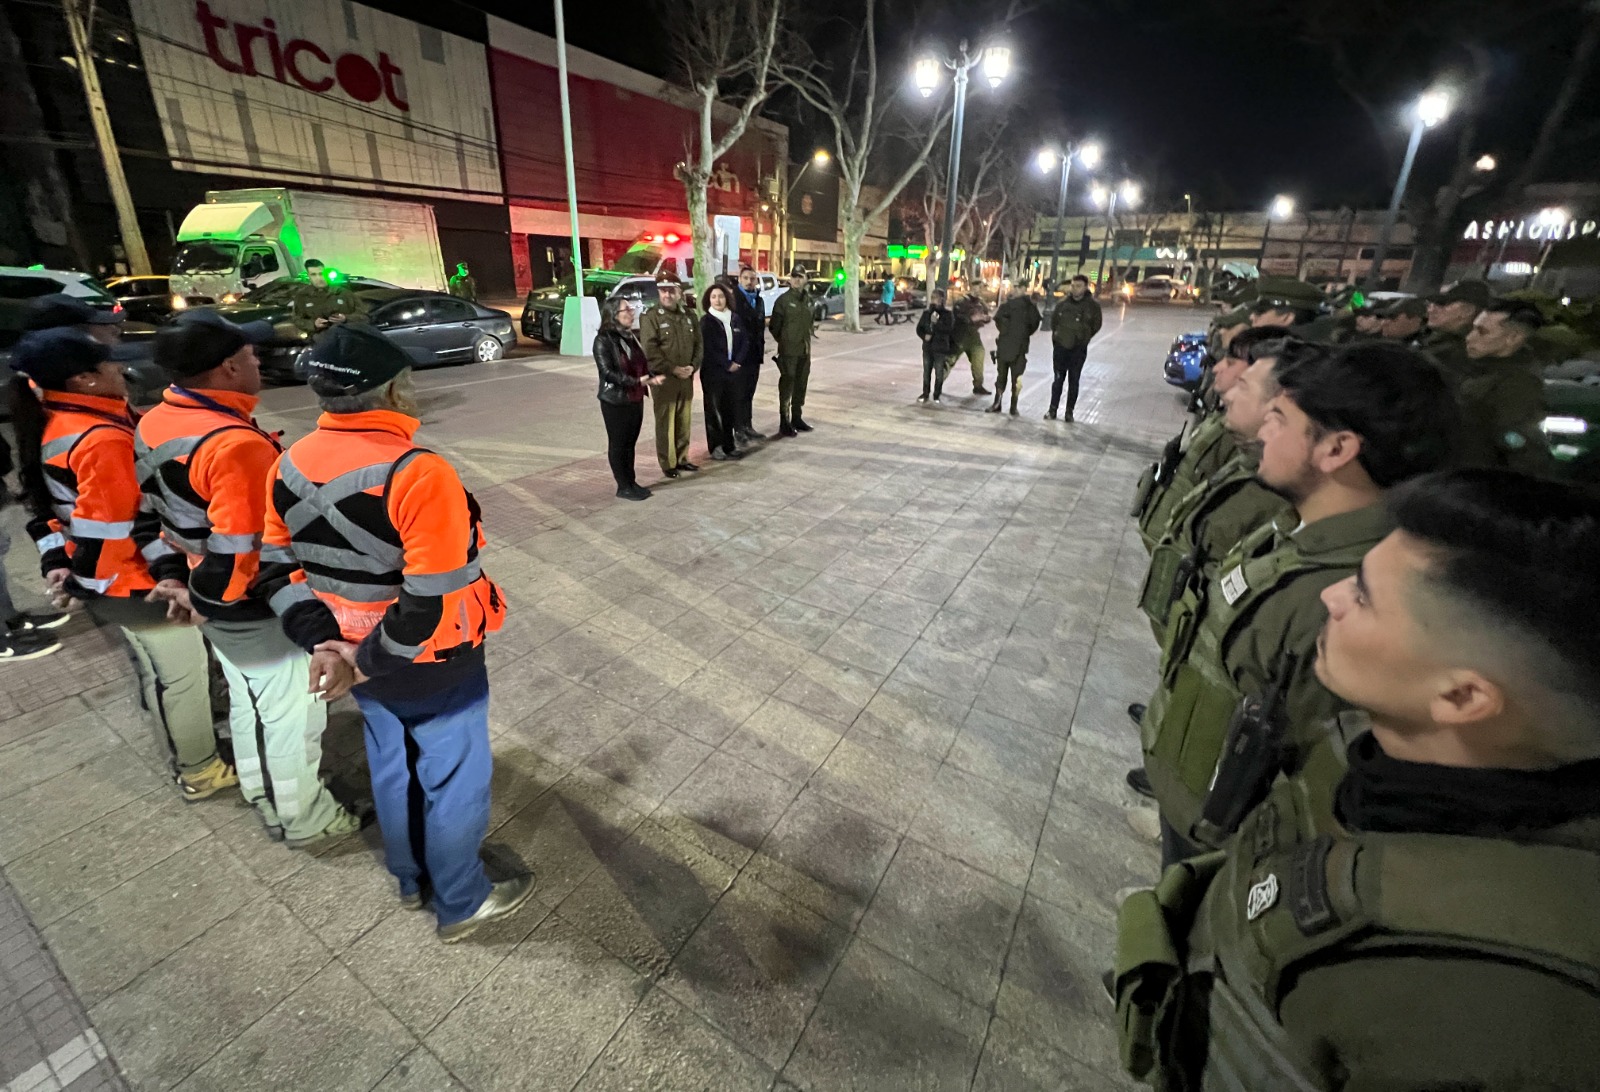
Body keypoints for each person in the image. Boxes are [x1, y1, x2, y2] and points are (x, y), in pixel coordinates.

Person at [1114, 468, 1600, 1092]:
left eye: (1364, 596)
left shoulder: (1502, 1001)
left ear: (1460, 696)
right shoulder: (1360, 754)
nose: (1330, 598)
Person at [1135, 342, 1460, 867]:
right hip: (1200, 792)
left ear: (1336, 450)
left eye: (1281, 420)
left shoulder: (1352, 597)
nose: (1264, 428)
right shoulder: (1292, 531)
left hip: (1234, 844)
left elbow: (1317, 776)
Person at [256, 323, 531, 943]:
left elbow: (274, 568)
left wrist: (325, 644)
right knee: (454, 776)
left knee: (391, 763)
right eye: (406, 383)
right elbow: (430, 601)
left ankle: (409, 878)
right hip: (430, 660)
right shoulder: (417, 471)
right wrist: (366, 660)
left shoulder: (288, 462)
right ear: (394, 391)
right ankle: (461, 899)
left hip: (350, 652)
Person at [141, 310, 363, 845]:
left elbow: (155, 512)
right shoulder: (234, 444)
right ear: (227, 369)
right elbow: (244, 549)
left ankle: (263, 792)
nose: (258, 362)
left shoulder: (157, 419)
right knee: (292, 720)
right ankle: (306, 819)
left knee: (250, 704)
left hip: (210, 595)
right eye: (250, 357)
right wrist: (207, 597)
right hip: (255, 607)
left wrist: (182, 582)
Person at [9, 328, 231, 799]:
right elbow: (111, 527)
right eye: (108, 365)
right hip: (137, 581)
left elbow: (55, 513)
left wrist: (67, 570)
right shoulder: (100, 439)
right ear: (85, 380)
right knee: (182, 679)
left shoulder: (63, 422)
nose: (121, 371)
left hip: (115, 583)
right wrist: (90, 584)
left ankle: (189, 756)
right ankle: (200, 769)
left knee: (159, 674)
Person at [1135, 327, 1287, 552]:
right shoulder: (1223, 422)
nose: (1217, 367)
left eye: (1232, 362)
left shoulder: (1246, 442)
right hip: (1168, 549)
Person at [1457, 301, 1553, 475]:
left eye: (1482, 332)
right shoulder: (1480, 368)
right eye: (1473, 328)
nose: (1469, 337)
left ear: (1513, 338)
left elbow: (1515, 442)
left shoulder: (1520, 382)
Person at [593, 298, 661, 500]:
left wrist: (651, 375)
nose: (631, 313)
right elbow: (607, 372)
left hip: (635, 396)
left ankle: (631, 482)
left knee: (630, 442)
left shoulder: (631, 336)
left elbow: (639, 363)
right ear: (613, 314)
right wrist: (636, 380)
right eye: (627, 309)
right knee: (618, 443)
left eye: (631, 309)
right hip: (615, 399)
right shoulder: (603, 340)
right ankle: (623, 486)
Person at [641, 271, 701, 479]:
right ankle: (668, 463)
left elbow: (699, 345)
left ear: (679, 292)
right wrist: (673, 369)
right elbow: (650, 351)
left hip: (686, 377)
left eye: (671, 291)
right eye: (663, 291)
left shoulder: (690, 316)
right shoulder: (651, 317)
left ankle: (683, 458)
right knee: (666, 422)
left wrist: (693, 367)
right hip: (664, 379)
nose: (666, 295)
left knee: (684, 420)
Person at [699, 283, 747, 462]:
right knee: (714, 410)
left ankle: (729, 445)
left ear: (727, 298)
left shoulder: (734, 318)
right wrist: (726, 364)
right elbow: (707, 348)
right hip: (714, 373)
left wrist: (738, 362)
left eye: (720, 296)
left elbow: (744, 341)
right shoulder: (706, 321)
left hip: (733, 373)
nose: (717, 300)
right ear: (708, 300)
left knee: (730, 410)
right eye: (713, 297)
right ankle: (716, 447)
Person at [1046, 274, 1102, 421]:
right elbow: (1054, 322)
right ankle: (1052, 410)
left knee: (1074, 380)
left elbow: (1096, 325)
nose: (1075, 289)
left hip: (1078, 350)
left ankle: (1069, 411)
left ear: (1085, 287)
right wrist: (1058, 338)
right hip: (1061, 348)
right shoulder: (1063, 303)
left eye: (1078, 286)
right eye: (1073, 285)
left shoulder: (1092, 306)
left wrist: (1084, 337)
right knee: (1058, 380)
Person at [767, 267, 816, 436]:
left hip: (804, 349)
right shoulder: (783, 301)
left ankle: (797, 417)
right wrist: (786, 340)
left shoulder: (808, 300)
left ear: (805, 279)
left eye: (800, 277)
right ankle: (784, 421)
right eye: (793, 277)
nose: (796, 280)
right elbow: (774, 327)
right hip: (789, 352)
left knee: (801, 384)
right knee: (787, 385)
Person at [1419, 279, 1490, 380]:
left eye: (1442, 303)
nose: (1431, 309)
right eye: (1430, 304)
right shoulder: (1438, 342)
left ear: (1467, 310)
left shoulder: (1464, 354)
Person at [987, 288, 1041, 415]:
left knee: (1008, 377)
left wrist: (1007, 331)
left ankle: (1003, 403)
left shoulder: (1017, 306)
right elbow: (1033, 326)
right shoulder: (1028, 308)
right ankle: (1008, 404)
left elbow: (999, 321)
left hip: (1009, 345)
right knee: (1011, 377)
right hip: (1014, 346)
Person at [289, 259, 369, 338]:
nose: (319, 278)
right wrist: (314, 324)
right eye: (313, 274)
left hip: (346, 335)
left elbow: (365, 316)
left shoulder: (343, 293)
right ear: (309, 276)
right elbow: (297, 319)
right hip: (320, 337)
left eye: (321, 274)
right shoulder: (303, 296)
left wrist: (345, 318)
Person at [732, 267, 767, 443]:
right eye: (745, 278)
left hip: (754, 354)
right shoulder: (733, 300)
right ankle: (738, 428)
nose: (749, 281)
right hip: (739, 356)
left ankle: (747, 425)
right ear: (739, 279)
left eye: (752, 278)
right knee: (739, 393)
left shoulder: (759, 300)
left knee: (749, 392)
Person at [915, 288, 956, 404]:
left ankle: (937, 394)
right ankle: (925, 393)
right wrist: (924, 336)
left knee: (939, 373)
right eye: (932, 297)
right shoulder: (927, 313)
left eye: (936, 298)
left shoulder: (948, 314)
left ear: (942, 299)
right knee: (926, 372)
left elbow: (949, 330)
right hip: (928, 348)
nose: (934, 300)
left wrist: (936, 323)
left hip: (940, 348)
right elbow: (919, 329)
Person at [952, 291, 992, 396]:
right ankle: (938, 382)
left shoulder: (981, 302)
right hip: (960, 334)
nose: (979, 289)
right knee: (950, 359)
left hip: (974, 335)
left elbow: (986, 315)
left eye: (980, 287)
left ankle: (978, 386)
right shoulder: (961, 301)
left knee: (978, 357)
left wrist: (985, 318)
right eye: (976, 287)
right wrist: (971, 319)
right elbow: (957, 316)